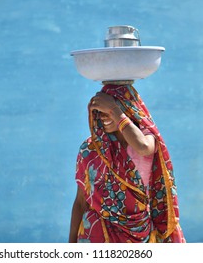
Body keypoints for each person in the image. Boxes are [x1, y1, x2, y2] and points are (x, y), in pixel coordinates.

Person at [69, 83, 185, 243]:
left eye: (108, 110)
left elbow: (144, 147)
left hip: (142, 232)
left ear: (128, 109)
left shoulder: (146, 137)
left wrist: (115, 111)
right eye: (99, 111)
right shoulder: (91, 150)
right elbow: (81, 202)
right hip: (100, 235)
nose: (103, 116)